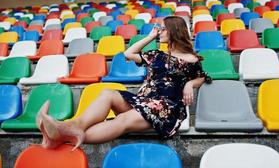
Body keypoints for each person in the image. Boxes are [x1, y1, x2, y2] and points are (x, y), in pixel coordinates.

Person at [36, 16, 211, 151]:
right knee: (108, 93)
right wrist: (150, 37)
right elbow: (128, 53)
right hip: (142, 101)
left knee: (122, 119)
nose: (159, 31)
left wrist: (190, 84)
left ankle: (61, 135)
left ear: (174, 31)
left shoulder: (191, 59)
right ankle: (74, 127)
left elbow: (203, 76)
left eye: (163, 29)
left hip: (164, 108)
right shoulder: (157, 55)